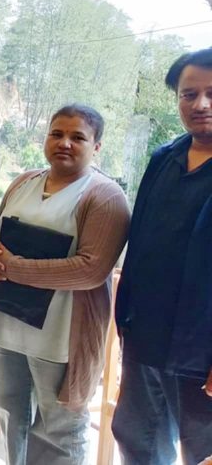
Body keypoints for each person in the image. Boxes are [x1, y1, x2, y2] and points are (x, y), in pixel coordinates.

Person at [0, 104, 130, 465]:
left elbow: (90, 270)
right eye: (57, 134)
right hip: (8, 323)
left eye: (78, 137)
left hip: (59, 338)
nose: (65, 143)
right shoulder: (24, 182)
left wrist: (13, 267)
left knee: (59, 429)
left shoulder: (104, 197)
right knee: (8, 411)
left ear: (97, 147)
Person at [112, 48, 212, 465]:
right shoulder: (163, 159)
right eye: (189, 94)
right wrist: (126, 318)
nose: (200, 104)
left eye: (211, 93)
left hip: (202, 350)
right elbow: (141, 244)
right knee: (138, 442)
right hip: (146, 337)